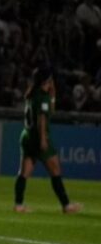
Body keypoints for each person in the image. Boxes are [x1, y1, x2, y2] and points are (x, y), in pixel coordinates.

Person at [14, 66, 83, 214]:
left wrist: (53, 95)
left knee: (24, 172)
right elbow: (42, 118)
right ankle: (66, 205)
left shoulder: (32, 94)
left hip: (26, 135)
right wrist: (43, 140)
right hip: (39, 136)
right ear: (47, 80)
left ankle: (18, 204)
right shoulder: (42, 97)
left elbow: (48, 110)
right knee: (55, 171)